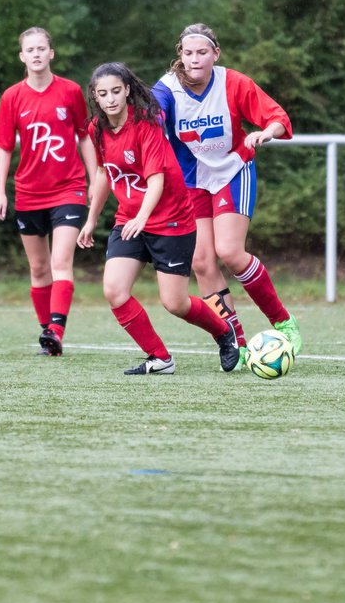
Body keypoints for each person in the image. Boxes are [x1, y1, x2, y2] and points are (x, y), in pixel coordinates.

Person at [77, 62, 240, 375]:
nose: (110, 99)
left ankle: (223, 332)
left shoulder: (146, 125)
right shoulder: (96, 129)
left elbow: (157, 181)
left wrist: (142, 217)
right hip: (131, 219)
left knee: (175, 303)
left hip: (171, 220)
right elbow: (102, 173)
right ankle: (160, 358)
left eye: (115, 91)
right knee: (114, 290)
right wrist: (91, 219)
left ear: (127, 91)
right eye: (102, 94)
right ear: (95, 97)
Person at [151, 23, 300, 364]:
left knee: (230, 252)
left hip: (233, 171)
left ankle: (283, 323)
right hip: (191, 182)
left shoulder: (233, 82)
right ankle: (236, 340)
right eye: (188, 53)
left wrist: (267, 132)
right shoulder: (168, 88)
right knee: (202, 261)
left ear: (215, 54)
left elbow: (277, 117)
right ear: (181, 56)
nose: (194, 59)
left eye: (202, 52)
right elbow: (152, 114)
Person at [0, 27, 97, 356]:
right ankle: (47, 336)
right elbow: (5, 147)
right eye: (30, 50)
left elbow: (84, 136)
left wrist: (95, 180)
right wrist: (0, 192)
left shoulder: (70, 91)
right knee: (38, 269)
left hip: (69, 188)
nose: (36, 54)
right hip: (29, 193)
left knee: (60, 261)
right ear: (22, 56)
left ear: (51, 53)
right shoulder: (12, 97)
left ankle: (56, 328)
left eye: (41, 48)